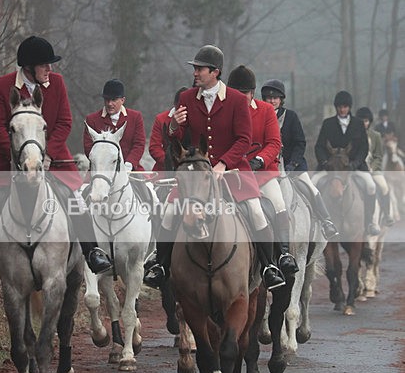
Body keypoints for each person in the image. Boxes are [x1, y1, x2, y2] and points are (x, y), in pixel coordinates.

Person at [0, 35, 112, 278]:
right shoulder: (4, 85)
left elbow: (64, 122)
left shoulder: (57, 83)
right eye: (45, 65)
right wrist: (17, 155)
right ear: (29, 68)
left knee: (76, 201)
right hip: (12, 162)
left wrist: (48, 154)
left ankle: (92, 251)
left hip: (54, 160)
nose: (50, 69)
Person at [143, 45, 285, 291]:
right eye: (195, 69)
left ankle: (268, 266)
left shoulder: (237, 100)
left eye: (200, 69)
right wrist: (175, 128)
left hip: (232, 170)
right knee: (169, 210)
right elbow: (180, 140)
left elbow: (243, 139)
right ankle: (161, 265)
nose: (195, 73)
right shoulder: (187, 98)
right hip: (196, 173)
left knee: (256, 210)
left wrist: (222, 164)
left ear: (215, 72)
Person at [227, 66, 298, 276]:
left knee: (278, 204)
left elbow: (275, 143)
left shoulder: (265, 111)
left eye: (245, 94)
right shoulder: (225, 113)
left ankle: (284, 253)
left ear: (252, 93)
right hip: (234, 175)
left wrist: (260, 159)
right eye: (236, 94)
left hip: (262, 173)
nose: (240, 98)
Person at [261, 78, 339, 240]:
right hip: (267, 165)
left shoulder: (291, 117)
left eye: (275, 97)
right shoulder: (260, 115)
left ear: (281, 99)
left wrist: (292, 164)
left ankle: (326, 221)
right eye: (269, 97)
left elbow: (300, 143)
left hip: (292, 164)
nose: (272, 100)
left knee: (310, 187)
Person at [313, 90, 380, 236]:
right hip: (331, 167)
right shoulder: (328, 123)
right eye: (339, 107)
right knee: (313, 184)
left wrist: (355, 164)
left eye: (345, 107)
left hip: (353, 166)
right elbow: (319, 146)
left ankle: (369, 222)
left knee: (371, 185)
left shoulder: (358, 123)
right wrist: (324, 162)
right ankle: (315, 224)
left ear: (349, 107)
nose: (342, 109)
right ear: (336, 107)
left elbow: (364, 147)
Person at [83, 78, 146, 170]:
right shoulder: (92, 120)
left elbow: (139, 144)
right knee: (83, 185)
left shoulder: (135, 117)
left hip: (130, 169)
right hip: (100, 171)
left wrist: (129, 163)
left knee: (147, 185)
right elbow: (88, 147)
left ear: (122, 100)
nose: (109, 104)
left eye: (114, 100)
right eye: (107, 99)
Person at [356, 107, 394, 227]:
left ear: (370, 121)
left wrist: (372, 167)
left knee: (384, 187)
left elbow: (378, 156)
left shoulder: (376, 135)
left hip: (373, 169)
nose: (364, 123)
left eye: (366, 121)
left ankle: (387, 214)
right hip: (358, 169)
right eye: (361, 121)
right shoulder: (352, 136)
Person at [148, 87, 187, 172]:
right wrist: (168, 161)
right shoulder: (161, 119)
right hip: (165, 169)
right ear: (175, 104)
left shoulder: (196, 119)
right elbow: (154, 147)